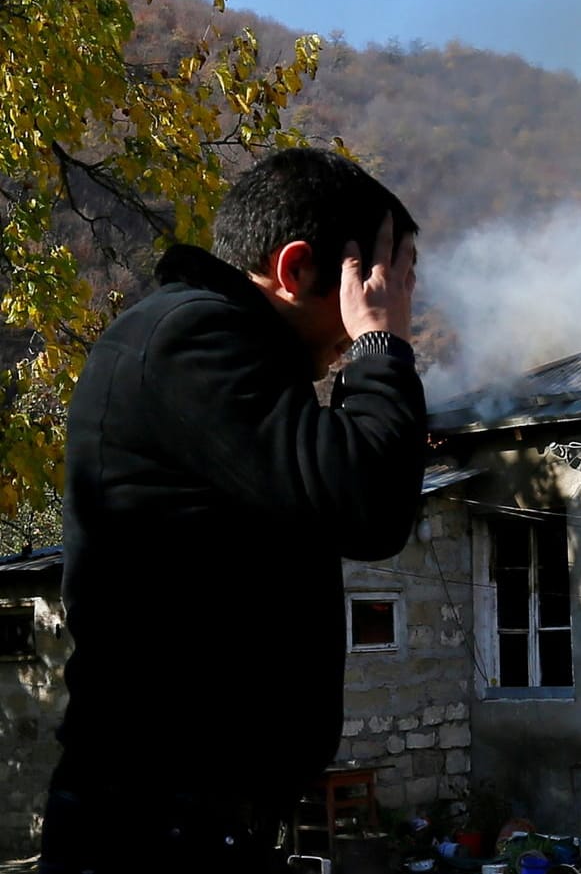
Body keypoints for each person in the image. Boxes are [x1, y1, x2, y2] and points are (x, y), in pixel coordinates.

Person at [39, 148, 428, 873]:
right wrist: (380, 343)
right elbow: (368, 504)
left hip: (187, 824)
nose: (384, 307)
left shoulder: (218, 351)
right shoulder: (193, 341)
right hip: (152, 829)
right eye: (376, 283)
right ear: (295, 270)